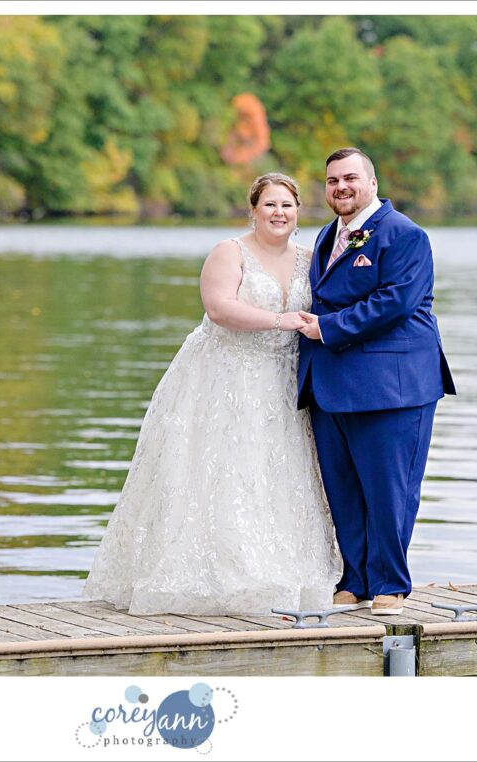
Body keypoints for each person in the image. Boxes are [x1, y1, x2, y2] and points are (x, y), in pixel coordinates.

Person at [83, 173, 342, 615]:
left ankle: (278, 575)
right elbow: (220, 309)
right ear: (253, 210)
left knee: (276, 474)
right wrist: (284, 322)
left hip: (282, 380)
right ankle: (216, 577)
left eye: (287, 205)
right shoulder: (230, 252)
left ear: (299, 213)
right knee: (222, 469)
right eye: (270, 205)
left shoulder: (308, 258)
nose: (279, 213)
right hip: (225, 376)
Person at [297, 147, 456, 616]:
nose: (341, 187)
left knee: (389, 490)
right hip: (330, 383)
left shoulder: (404, 234)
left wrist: (327, 328)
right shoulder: (329, 235)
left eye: (350, 178)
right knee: (343, 489)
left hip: (393, 386)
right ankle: (356, 580)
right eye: (331, 181)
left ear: (372, 183)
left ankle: (390, 585)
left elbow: (395, 303)